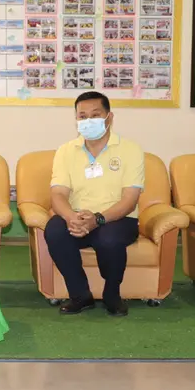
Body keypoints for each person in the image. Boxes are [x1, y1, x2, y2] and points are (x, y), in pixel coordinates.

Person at [45, 91, 145, 317]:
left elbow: (130, 200)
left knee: (108, 238)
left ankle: (112, 294)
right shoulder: (65, 151)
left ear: (109, 117)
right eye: (82, 116)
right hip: (77, 215)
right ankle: (80, 295)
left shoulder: (131, 150)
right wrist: (71, 217)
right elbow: (58, 194)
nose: (88, 121)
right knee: (55, 230)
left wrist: (98, 219)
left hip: (117, 218)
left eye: (95, 115)